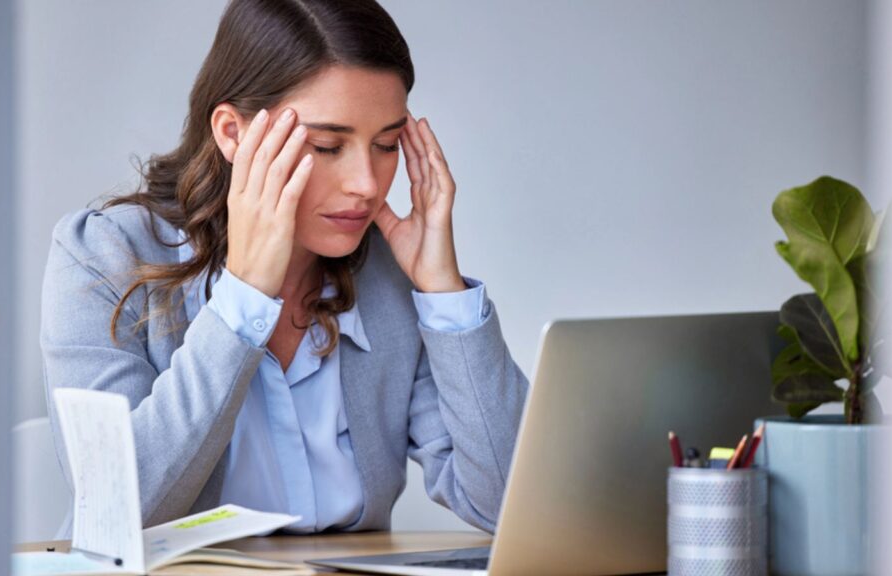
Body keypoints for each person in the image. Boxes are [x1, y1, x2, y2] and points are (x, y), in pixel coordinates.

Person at [41, 0, 528, 536]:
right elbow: (114, 512)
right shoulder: (102, 256)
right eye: (327, 145)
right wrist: (244, 298)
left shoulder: (386, 277)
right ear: (233, 133)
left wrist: (443, 293)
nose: (367, 184)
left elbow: (509, 507)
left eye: (386, 144)